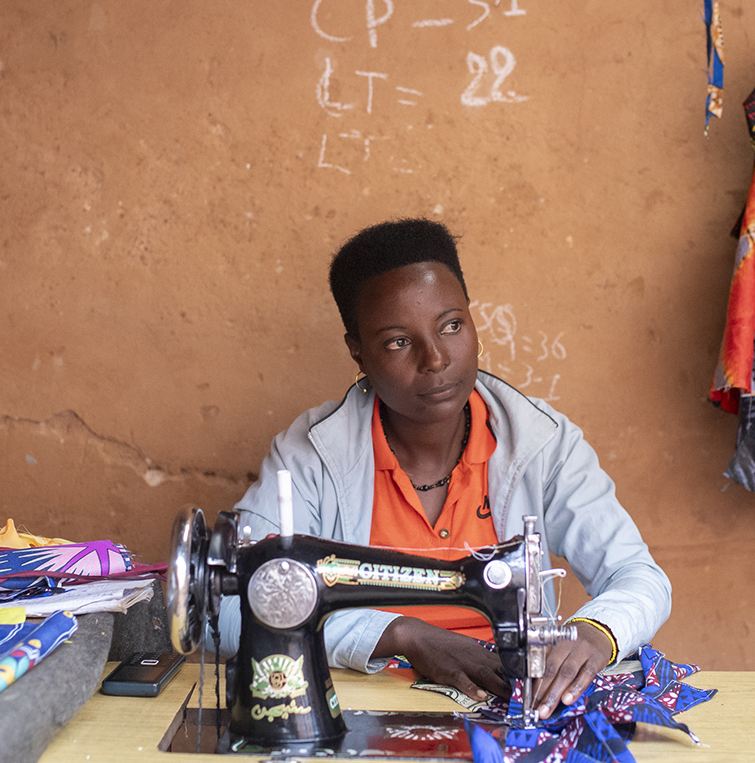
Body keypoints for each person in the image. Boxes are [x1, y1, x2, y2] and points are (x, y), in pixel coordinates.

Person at [219, 217, 671, 714]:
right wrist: (402, 635)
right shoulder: (311, 456)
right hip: (360, 709)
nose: (435, 359)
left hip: (509, 704)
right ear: (358, 352)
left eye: (452, 325)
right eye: (397, 341)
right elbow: (231, 606)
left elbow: (637, 576)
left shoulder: (541, 443)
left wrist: (593, 635)